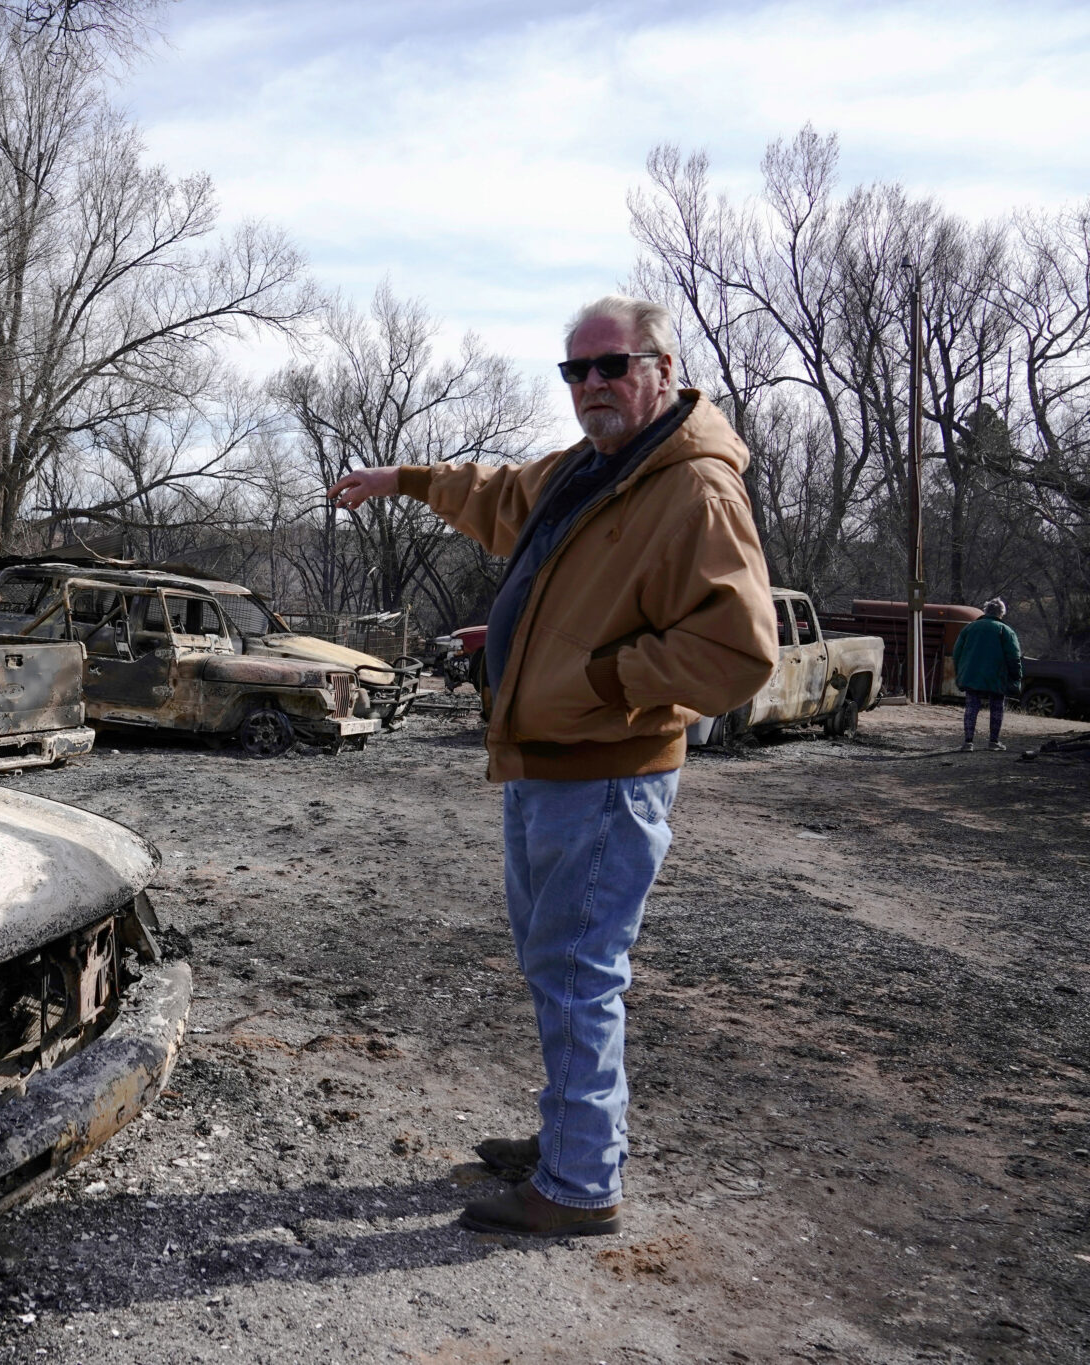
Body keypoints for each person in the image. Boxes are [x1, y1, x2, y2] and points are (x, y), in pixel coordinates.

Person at [328, 295, 779, 1237]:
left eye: (610, 366)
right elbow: (499, 497)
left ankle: (579, 1188)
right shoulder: (595, 468)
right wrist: (406, 478)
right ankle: (573, 1142)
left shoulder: (693, 488)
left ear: (661, 367)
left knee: (578, 968)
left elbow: (739, 651)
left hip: (607, 773)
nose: (591, 387)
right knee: (556, 963)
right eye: (575, 371)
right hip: (548, 762)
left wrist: (603, 676)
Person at [953, 598, 1021, 751]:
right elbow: (1014, 657)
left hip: (972, 675)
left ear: (985, 611)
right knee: (997, 707)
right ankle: (993, 742)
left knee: (971, 708)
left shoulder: (969, 628)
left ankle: (968, 742)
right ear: (1001, 613)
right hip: (997, 676)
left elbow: (957, 653)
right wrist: (1016, 677)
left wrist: (960, 673)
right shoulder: (1006, 631)